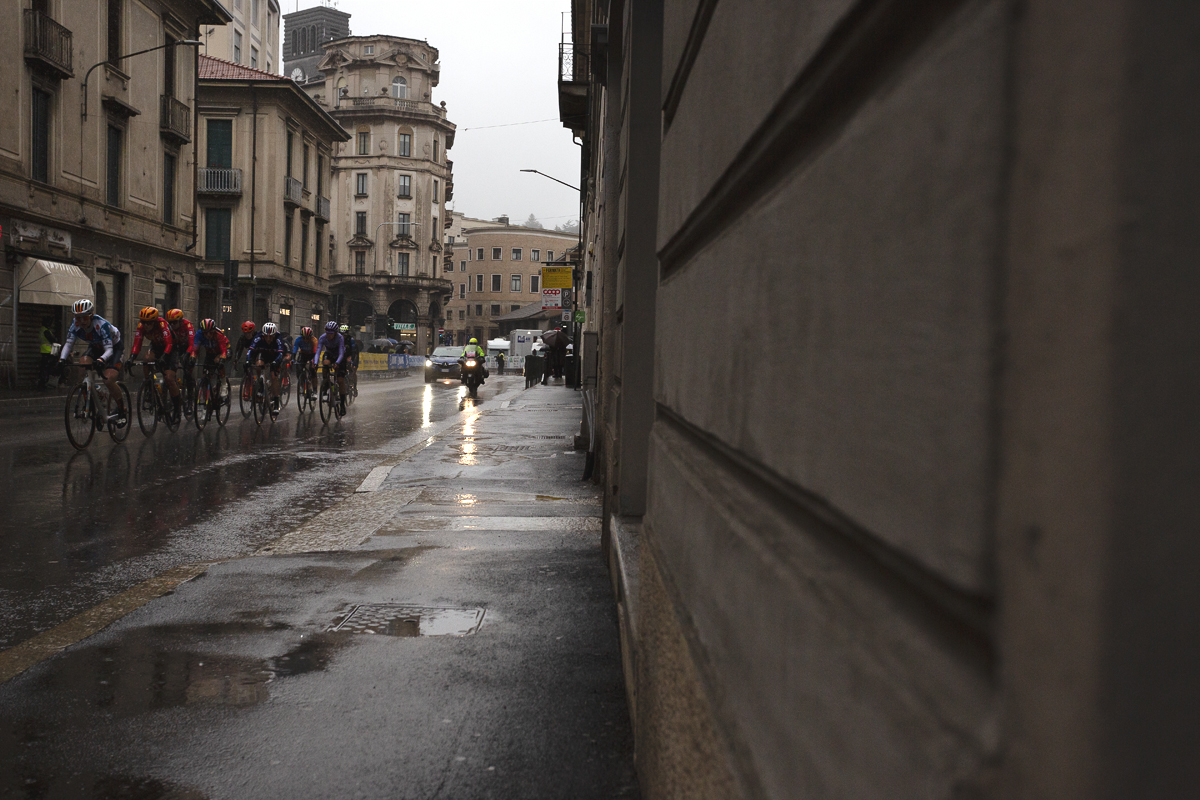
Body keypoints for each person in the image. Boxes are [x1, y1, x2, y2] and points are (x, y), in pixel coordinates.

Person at [59, 299, 126, 423]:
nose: (82, 321)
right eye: (78, 318)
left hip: (114, 348)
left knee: (108, 379)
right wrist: (61, 359)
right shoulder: (75, 324)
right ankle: (90, 396)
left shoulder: (101, 325)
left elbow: (109, 350)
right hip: (96, 346)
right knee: (82, 365)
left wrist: (101, 359)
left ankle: (122, 409)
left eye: (84, 318)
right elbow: (68, 344)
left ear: (91, 316)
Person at [129, 306, 183, 416]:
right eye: (144, 322)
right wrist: (131, 358)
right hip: (156, 347)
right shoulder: (141, 326)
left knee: (169, 378)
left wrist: (164, 356)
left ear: (154, 321)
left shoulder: (162, 324)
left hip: (170, 349)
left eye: (149, 323)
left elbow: (169, 343)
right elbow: (137, 344)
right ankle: (149, 385)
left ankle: (177, 408)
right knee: (147, 358)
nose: (146, 325)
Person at [244, 321, 287, 411]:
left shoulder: (278, 338)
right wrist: (247, 360)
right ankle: (260, 384)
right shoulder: (259, 336)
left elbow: (280, 353)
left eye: (271, 336)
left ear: (274, 335)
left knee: (273, 377)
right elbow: (251, 349)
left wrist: (276, 362)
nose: (268, 338)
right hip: (264, 354)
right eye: (266, 336)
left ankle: (276, 402)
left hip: (275, 356)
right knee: (258, 365)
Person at [314, 321, 348, 410]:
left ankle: (342, 404)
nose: (329, 335)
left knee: (340, 380)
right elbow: (318, 351)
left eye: (331, 333)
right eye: (327, 333)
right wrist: (315, 363)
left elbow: (341, 353)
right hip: (329, 353)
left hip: (339, 356)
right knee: (325, 363)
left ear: (335, 333)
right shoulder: (322, 337)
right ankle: (326, 383)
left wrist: (337, 363)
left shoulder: (340, 338)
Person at [192, 318, 229, 399]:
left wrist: (222, 359)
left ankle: (224, 384)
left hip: (223, 350)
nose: (208, 335)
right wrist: (192, 358)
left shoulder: (218, 334)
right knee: (205, 374)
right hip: (210, 353)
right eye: (205, 332)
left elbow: (223, 350)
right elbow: (195, 348)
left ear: (214, 330)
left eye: (210, 332)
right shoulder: (199, 334)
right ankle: (207, 398)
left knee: (218, 361)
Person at [166, 309, 197, 402]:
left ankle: (190, 398)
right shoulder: (169, 327)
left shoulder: (188, 325)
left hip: (188, 347)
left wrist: (187, 354)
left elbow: (192, 343)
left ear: (180, 321)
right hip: (176, 347)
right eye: (170, 323)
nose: (172, 325)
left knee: (187, 371)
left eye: (174, 322)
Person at [38, 315, 59, 390]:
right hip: (48, 352)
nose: (51, 324)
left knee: (44, 368)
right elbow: (53, 340)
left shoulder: (42, 329)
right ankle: (45, 382)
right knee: (47, 368)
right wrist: (55, 339)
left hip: (44, 351)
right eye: (50, 322)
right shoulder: (46, 331)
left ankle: (43, 382)